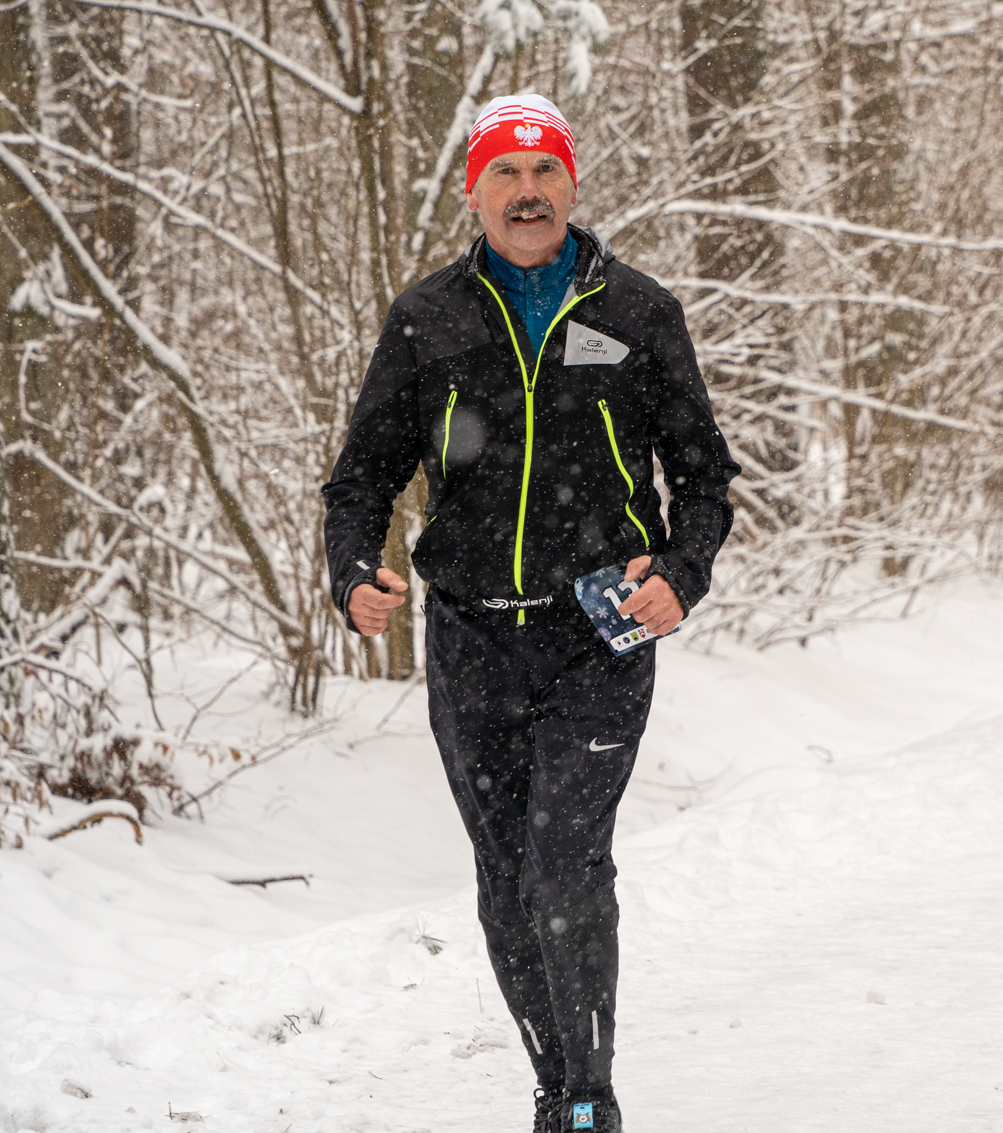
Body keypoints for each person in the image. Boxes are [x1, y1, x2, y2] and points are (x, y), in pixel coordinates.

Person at [322, 94, 740, 1133]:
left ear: (571, 185)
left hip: (598, 631)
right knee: (504, 873)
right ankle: (556, 1081)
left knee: (564, 856)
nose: (525, 191)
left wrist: (680, 574)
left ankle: (591, 1093)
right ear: (475, 192)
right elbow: (360, 478)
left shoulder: (635, 312)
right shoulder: (429, 317)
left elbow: (704, 479)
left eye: (542, 171)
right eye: (504, 174)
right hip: (468, 634)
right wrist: (351, 570)